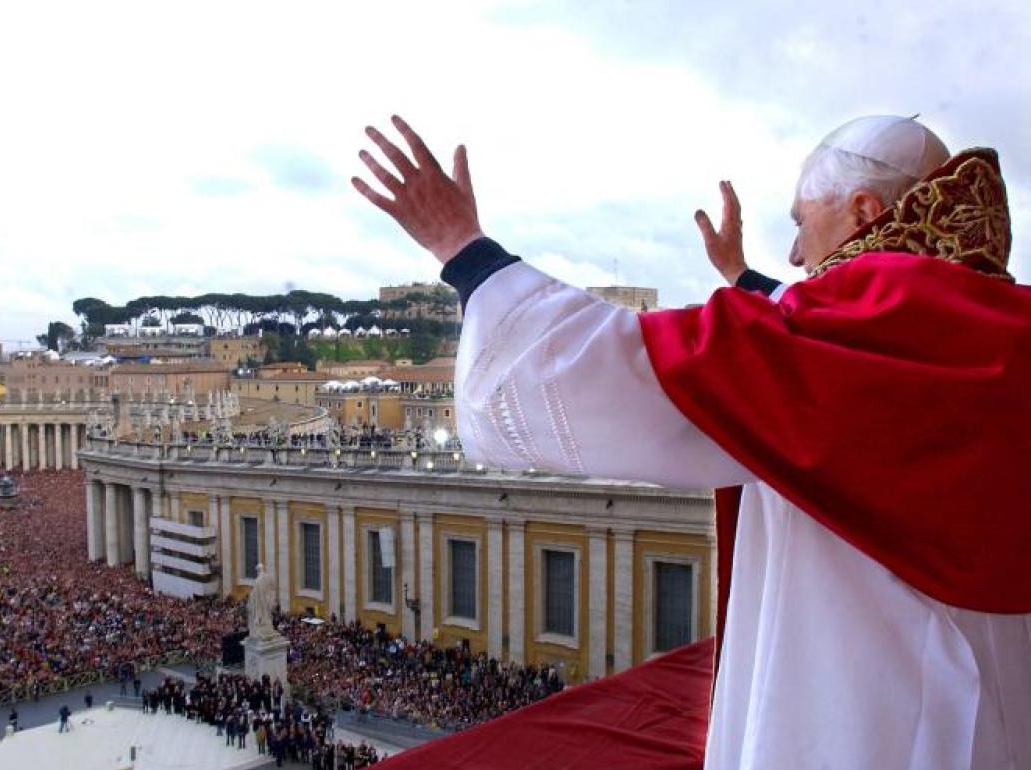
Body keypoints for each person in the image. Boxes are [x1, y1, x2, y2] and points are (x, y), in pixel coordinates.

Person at [353, 115, 1031, 768]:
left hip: (874, 717)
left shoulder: (844, 337)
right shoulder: (995, 325)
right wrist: (746, 281)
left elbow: (609, 372)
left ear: (861, 212)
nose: (795, 254)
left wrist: (465, 251)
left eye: (800, 223)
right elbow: (825, 352)